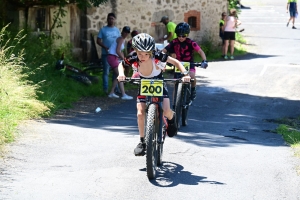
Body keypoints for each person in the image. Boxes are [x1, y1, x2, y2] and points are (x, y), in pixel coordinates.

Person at [117, 33, 191, 156]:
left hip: (158, 82)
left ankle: (172, 121)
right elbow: (121, 64)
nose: (142, 56)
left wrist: (185, 74)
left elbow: (176, 62)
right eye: (139, 53)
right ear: (135, 50)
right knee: (140, 112)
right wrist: (121, 74)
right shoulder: (133, 57)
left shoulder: (158, 55)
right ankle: (142, 141)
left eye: (146, 54)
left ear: (151, 52)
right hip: (144, 82)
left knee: (167, 110)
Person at [162, 22, 207, 101]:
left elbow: (200, 51)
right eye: (179, 35)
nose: (181, 37)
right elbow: (164, 50)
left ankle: (193, 89)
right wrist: (159, 57)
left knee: (192, 76)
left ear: (187, 35)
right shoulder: (174, 42)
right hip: (178, 65)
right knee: (176, 83)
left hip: (189, 64)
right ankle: (175, 105)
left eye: (183, 35)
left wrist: (204, 61)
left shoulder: (191, 42)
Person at [107, 26, 133, 100]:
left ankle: (111, 93)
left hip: (114, 57)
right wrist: (124, 59)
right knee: (120, 75)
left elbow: (121, 51)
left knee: (117, 76)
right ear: (122, 31)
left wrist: (123, 59)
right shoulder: (121, 39)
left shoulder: (123, 40)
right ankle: (124, 95)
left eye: (127, 32)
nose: (126, 33)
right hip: (112, 57)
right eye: (125, 32)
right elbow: (118, 51)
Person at [97, 13, 120, 94]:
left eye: (112, 18)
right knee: (106, 72)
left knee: (115, 72)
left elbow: (119, 41)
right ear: (107, 19)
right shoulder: (103, 30)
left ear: (114, 20)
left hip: (114, 55)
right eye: (109, 18)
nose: (111, 20)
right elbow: (98, 41)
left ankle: (115, 89)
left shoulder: (117, 30)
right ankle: (105, 89)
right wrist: (105, 47)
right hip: (106, 54)